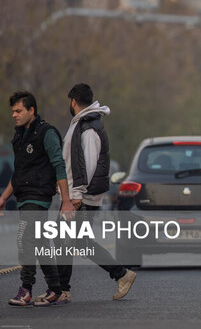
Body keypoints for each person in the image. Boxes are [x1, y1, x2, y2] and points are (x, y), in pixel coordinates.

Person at [43, 83, 136, 302]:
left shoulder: (89, 127)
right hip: (78, 196)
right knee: (69, 240)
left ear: (73, 101)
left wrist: (76, 195)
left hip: (82, 197)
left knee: (72, 240)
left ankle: (120, 274)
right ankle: (64, 289)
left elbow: (88, 165)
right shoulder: (82, 124)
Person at [0, 91, 75, 306]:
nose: (14, 115)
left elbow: (59, 166)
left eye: (19, 111)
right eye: (13, 111)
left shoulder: (47, 133)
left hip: (39, 197)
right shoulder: (19, 137)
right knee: (40, 242)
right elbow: (19, 173)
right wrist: (4, 197)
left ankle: (26, 290)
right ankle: (55, 289)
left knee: (24, 239)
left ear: (31, 110)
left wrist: (66, 201)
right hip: (24, 197)